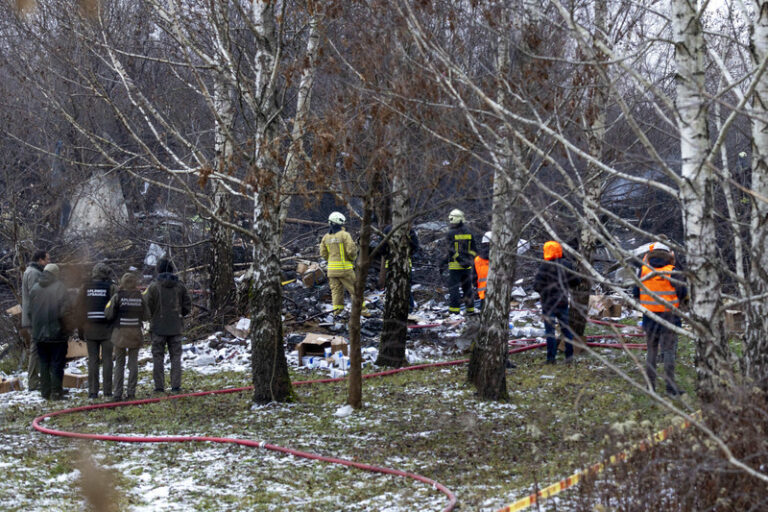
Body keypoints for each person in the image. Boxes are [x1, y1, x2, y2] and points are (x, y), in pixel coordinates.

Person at [632, 241, 688, 396]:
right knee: (668, 351)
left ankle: (650, 387)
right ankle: (670, 387)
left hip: (649, 318)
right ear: (669, 255)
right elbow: (683, 294)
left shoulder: (643, 270)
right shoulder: (672, 271)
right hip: (669, 318)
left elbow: (636, 293)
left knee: (651, 351)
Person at [144, 258, 191, 393]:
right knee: (175, 357)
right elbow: (187, 306)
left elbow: (147, 307)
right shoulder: (180, 286)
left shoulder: (153, 287)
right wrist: (179, 315)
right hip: (176, 327)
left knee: (158, 357)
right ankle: (176, 386)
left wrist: (152, 317)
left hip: (158, 328)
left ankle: (159, 387)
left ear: (158, 270)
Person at [29, 263, 73, 400]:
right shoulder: (60, 287)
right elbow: (66, 312)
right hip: (57, 333)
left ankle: (45, 391)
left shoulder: (35, 288)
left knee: (44, 363)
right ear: (56, 274)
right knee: (57, 363)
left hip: (39, 334)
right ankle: (56, 392)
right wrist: (68, 329)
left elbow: (29, 312)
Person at [533, 240, 580, 364]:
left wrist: (544, 291)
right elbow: (576, 281)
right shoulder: (567, 265)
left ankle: (551, 359)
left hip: (548, 304)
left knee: (550, 332)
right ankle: (569, 357)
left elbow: (536, 286)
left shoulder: (544, 266)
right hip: (562, 302)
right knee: (566, 330)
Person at [76, 263, 118, 399]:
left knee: (93, 360)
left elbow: (79, 309)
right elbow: (116, 307)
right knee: (107, 360)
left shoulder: (85, 287)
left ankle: (93, 391)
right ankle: (107, 391)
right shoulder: (111, 287)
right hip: (107, 329)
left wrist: (80, 329)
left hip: (90, 329)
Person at [106, 272, 147, 401]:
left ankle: (117, 393)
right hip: (135, 333)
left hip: (120, 334)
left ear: (122, 283)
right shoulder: (140, 297)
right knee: (133, 364)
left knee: (119, 364)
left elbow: (108, 313)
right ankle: (131, 393)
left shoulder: (117, 296)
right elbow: (147, 315)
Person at [319, 212, 368, 317]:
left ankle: (337, 313)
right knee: (355, 290)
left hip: (331, 271)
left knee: (336, 292)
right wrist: (352, 259)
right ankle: (362, 311)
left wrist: (331, 260)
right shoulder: (345, 235)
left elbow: (323, 254)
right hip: (345, 269)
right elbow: (351, 251)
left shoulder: (325, 237)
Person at [21, 249, 49, 391]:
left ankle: (37, 380)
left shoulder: (31, 271)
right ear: (40, 260)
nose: (48, 262)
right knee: (36, 349)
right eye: (47, 259)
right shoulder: (34, 273)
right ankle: (33, 382)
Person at [441, 209, 477, 315]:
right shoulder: (469, 233)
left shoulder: (450, 233)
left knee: (454, 289)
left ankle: (454, 311)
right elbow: (474, 250)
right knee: (468, 289)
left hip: (455, 266)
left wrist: (443, 263)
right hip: (467, 267)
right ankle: (470, 310)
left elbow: (451, 251)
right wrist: (469, 260)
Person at [380, 223, 420, 312]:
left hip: (391, 265)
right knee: (406, 288)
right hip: (406, 264)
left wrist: (387, 255)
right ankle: (409, 309)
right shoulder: (409, 230)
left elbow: (381, 248)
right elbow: (416, 247)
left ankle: (393, 309)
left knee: (392, 288)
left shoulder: (387, 229)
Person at [474, 231, 491, 311]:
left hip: (482, 293)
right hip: (497, 293)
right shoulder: (499, 259)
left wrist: (476, 289)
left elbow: (474, 277)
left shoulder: (477, 259)